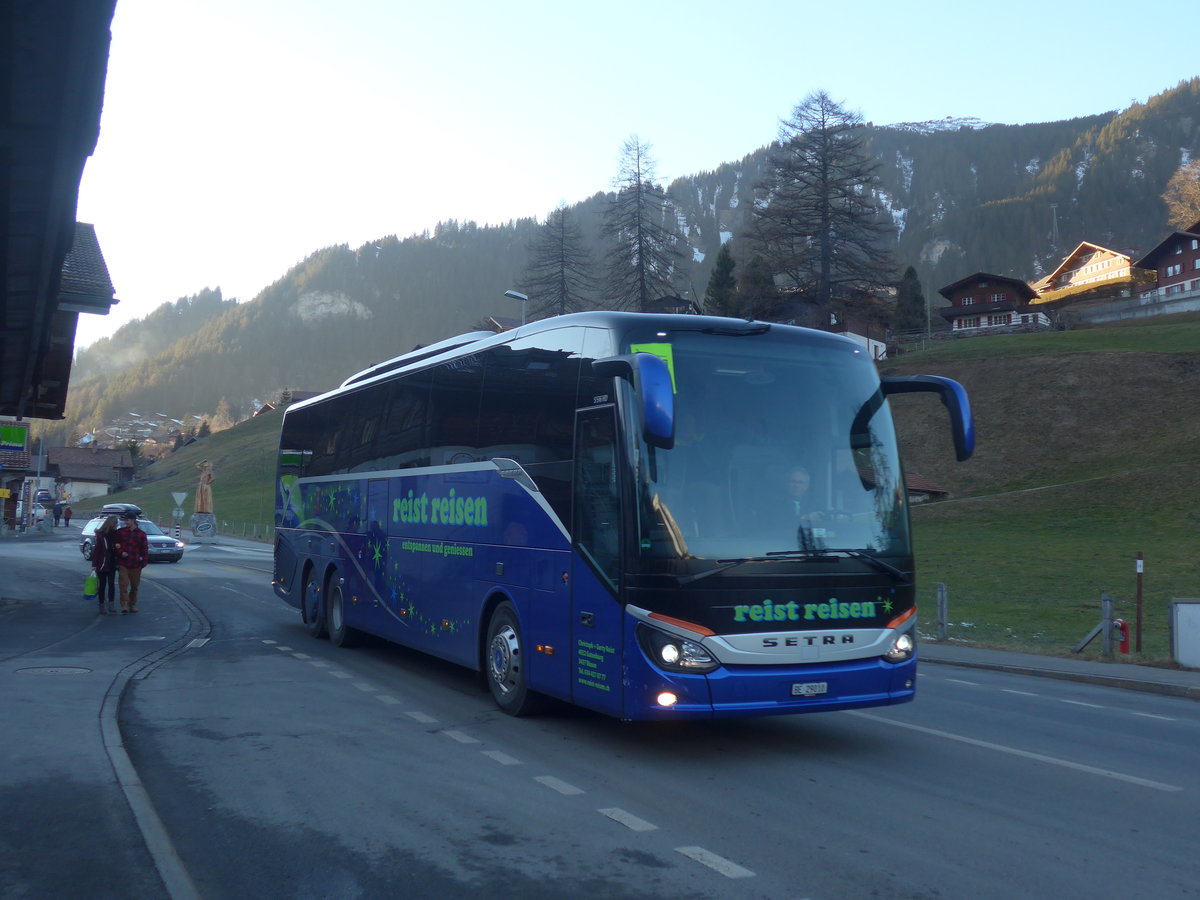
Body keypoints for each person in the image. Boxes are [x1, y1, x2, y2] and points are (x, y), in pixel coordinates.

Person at [113, 510, 149, 614]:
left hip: (136, 564)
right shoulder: (121, 532)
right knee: (123, 584)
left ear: (133, 520)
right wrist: (120, 552)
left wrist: (143, 563)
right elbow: (116, 545)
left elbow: (144, 549)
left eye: (127, 520)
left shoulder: (141, 534)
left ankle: (132, 604)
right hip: (123, 563)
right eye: (125, 520)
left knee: (134, 585)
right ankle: (124, 604)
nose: (126, 522)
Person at [89, 515, 119, 615]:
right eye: (115, 524)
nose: (116, 526)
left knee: (111, 584)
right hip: (102, 563)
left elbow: (117, 549)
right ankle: (102, 605)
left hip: (112, 563)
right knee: (102, 585)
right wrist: (94, 564)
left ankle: (111, 605)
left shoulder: (115, 535)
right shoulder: (101, 535)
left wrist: (118, 548)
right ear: (111, 524)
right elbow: (97, 550)